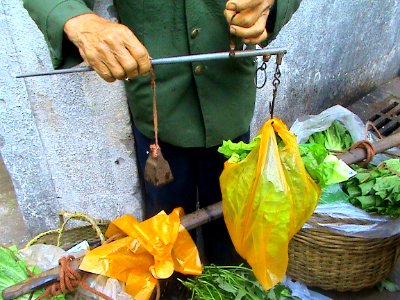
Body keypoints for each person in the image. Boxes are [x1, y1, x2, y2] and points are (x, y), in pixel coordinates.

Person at [23, 0, 301, 265]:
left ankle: (228, 276)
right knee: (166, 240)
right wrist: (80, 22)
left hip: (229, 106)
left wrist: (270, 4)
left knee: (233, 228)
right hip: (158, 118)